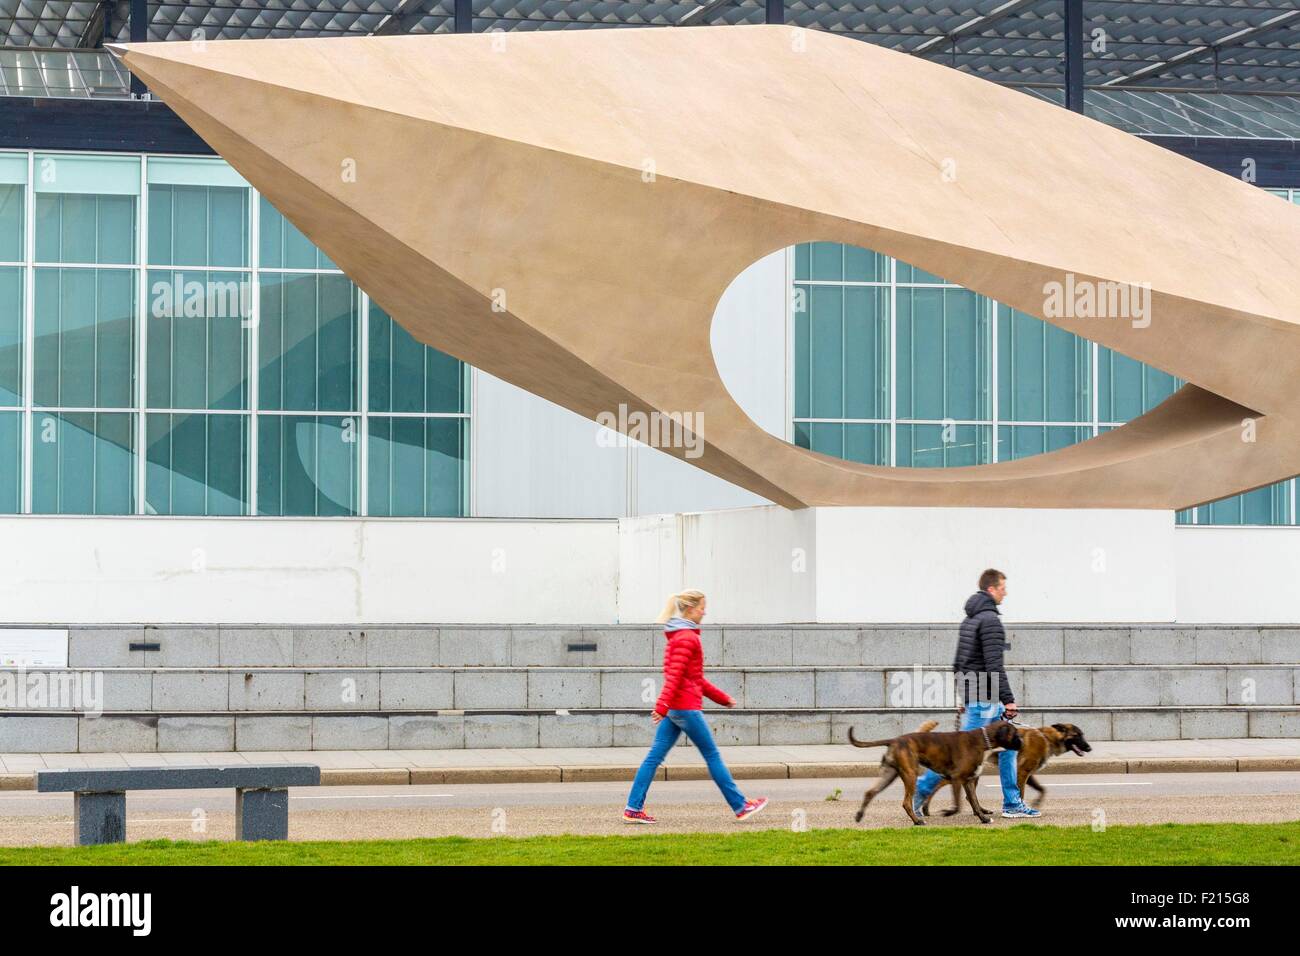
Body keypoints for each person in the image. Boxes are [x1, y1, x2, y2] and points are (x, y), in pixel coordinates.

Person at [623, 589, 768, 824]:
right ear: (690, 609)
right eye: (702, 607)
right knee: (712, 755)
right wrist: (661, 706)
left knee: (653, 758)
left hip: (675, 709)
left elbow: (694, 679)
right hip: (685, 708)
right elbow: (676, 677)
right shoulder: (688, 638)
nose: (705, 611)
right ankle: (741, 806)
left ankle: (633, 808)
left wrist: (722, 698)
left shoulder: (678, 636)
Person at [913, 568, 1041, 820]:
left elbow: (958, 664)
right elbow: (995, 665)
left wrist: (965, 697)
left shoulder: (969, 620)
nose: (1006, 592)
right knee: (956, 756)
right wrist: (1008, 699)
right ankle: (919, 791)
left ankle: (1013, 803)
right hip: (986, 699)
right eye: (1003, 587)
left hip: (979, 697)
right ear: (991, 589)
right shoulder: (990, 621)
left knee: (1009, 748)